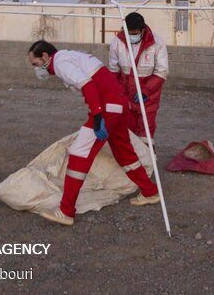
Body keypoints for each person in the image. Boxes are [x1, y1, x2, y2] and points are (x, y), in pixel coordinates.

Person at [27, 40, 160, 226]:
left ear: (46, 56)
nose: (36, 69)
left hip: (107, 109)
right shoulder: (70, 56)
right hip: (117, 106)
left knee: (79, 153)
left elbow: (87, 85)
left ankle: (66, 211)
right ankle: (150, 191)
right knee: (124, 153)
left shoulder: (60, 62)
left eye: (35, 64)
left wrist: (97, 117)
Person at [109, 12, 168, 145]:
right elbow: (114, 71)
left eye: (134, 33)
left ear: (142, 30)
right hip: (127, 94)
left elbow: (162, 71)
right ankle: (132, 161)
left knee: (146, 131)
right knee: (127, 130)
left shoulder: (156, 42)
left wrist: (146, 91)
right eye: (128, 32)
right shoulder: (116, 42)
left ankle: (148, 160)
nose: (131, 36)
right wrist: (116, 94)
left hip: (149, 95)